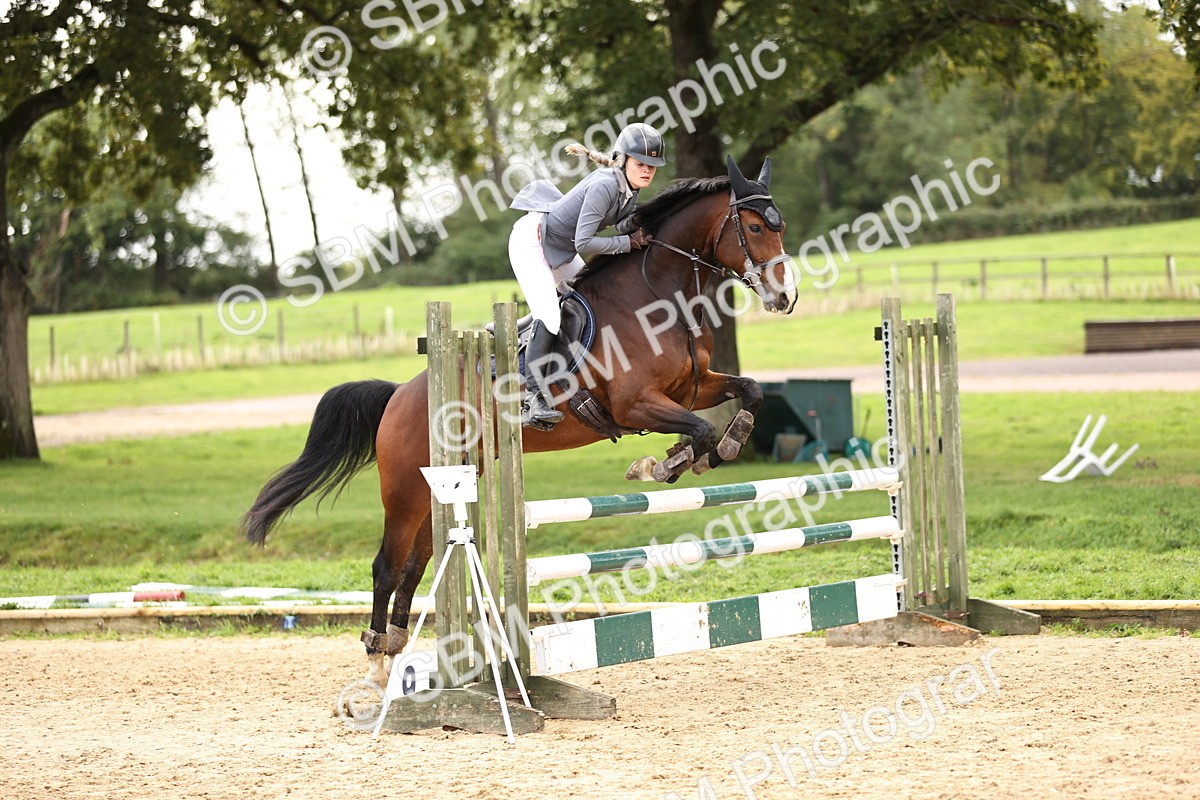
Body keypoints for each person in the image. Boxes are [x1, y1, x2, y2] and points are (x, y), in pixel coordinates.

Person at [508, 122, 665, 428]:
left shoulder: (628, 188)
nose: (647, 171)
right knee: (551, 316)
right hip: (533, 241)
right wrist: (629, 243)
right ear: (623, 160)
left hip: (560, 249)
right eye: (641, 164)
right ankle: (534, 399)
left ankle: (525, 328)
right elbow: (585, 242)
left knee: (591, 298)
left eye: (652, 166)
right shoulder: (606, 184)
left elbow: (619, 223)